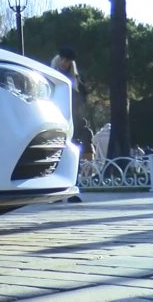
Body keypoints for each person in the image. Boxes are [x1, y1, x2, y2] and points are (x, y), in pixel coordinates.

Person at [51, 46, 89, 203]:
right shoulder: (49, 74)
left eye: (67, 61)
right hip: (54, 119)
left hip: (71, 121)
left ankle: (72, 190)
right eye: (63, 59)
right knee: (55, 155)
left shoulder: (76, 80)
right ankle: (54, 192)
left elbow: (81, 102)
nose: (64, 62)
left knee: (73, 155)